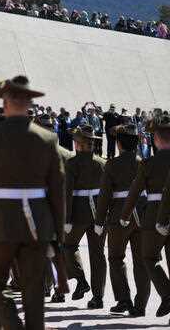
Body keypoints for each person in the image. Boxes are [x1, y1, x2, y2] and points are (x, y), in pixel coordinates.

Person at [0, 75, 65, 330]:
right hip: (37, 223)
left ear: (6, 102)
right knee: (33, 292)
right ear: (30, 103)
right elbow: (57, 191)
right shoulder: (47, 139)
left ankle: (12, 324)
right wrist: (56, 233)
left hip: (1, 223)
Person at [93, 123, 149, 317]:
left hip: (119, 216)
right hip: (143, 215)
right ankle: (140, 305)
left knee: (116, 258)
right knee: (142, 261)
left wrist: (99, 221)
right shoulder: (144, 162)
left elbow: (104, 196)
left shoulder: (113, 164)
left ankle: (123, 299)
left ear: (119, 144)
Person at [122, 114, 170, 318]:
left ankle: (167, 295)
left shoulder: (148, 163)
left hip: (154, 215)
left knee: (149, 257)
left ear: (157, 140)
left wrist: (124, 216)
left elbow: (134, 191)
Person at [63, 123, 107, 308]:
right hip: (98, 212)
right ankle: (98, 297)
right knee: (98, 254)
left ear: (79, 144)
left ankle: (81, 280)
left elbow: (67, 193)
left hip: (78, 213)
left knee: (68, 246)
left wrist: (66, 219)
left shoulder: (72, 164)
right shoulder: (102, 162)